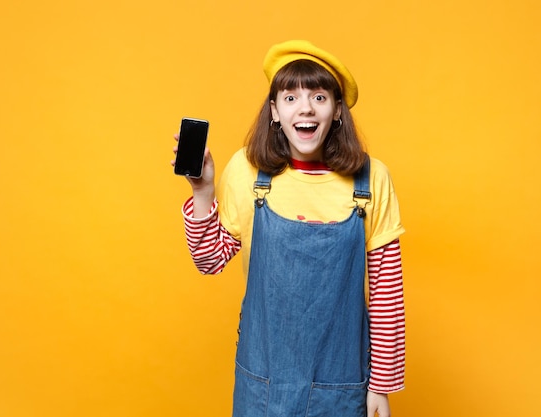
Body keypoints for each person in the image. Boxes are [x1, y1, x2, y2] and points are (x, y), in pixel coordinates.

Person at [173, 40, 405, 417]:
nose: (306, 108)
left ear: (338, 111)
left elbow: (386, 290)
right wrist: (202, 190)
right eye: (291, 97)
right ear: (275, 112)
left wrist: (381, 384)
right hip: (263, 385)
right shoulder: (247, 171)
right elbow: (209, 260)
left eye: (319, 96)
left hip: (342, 384)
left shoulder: (372, 178)